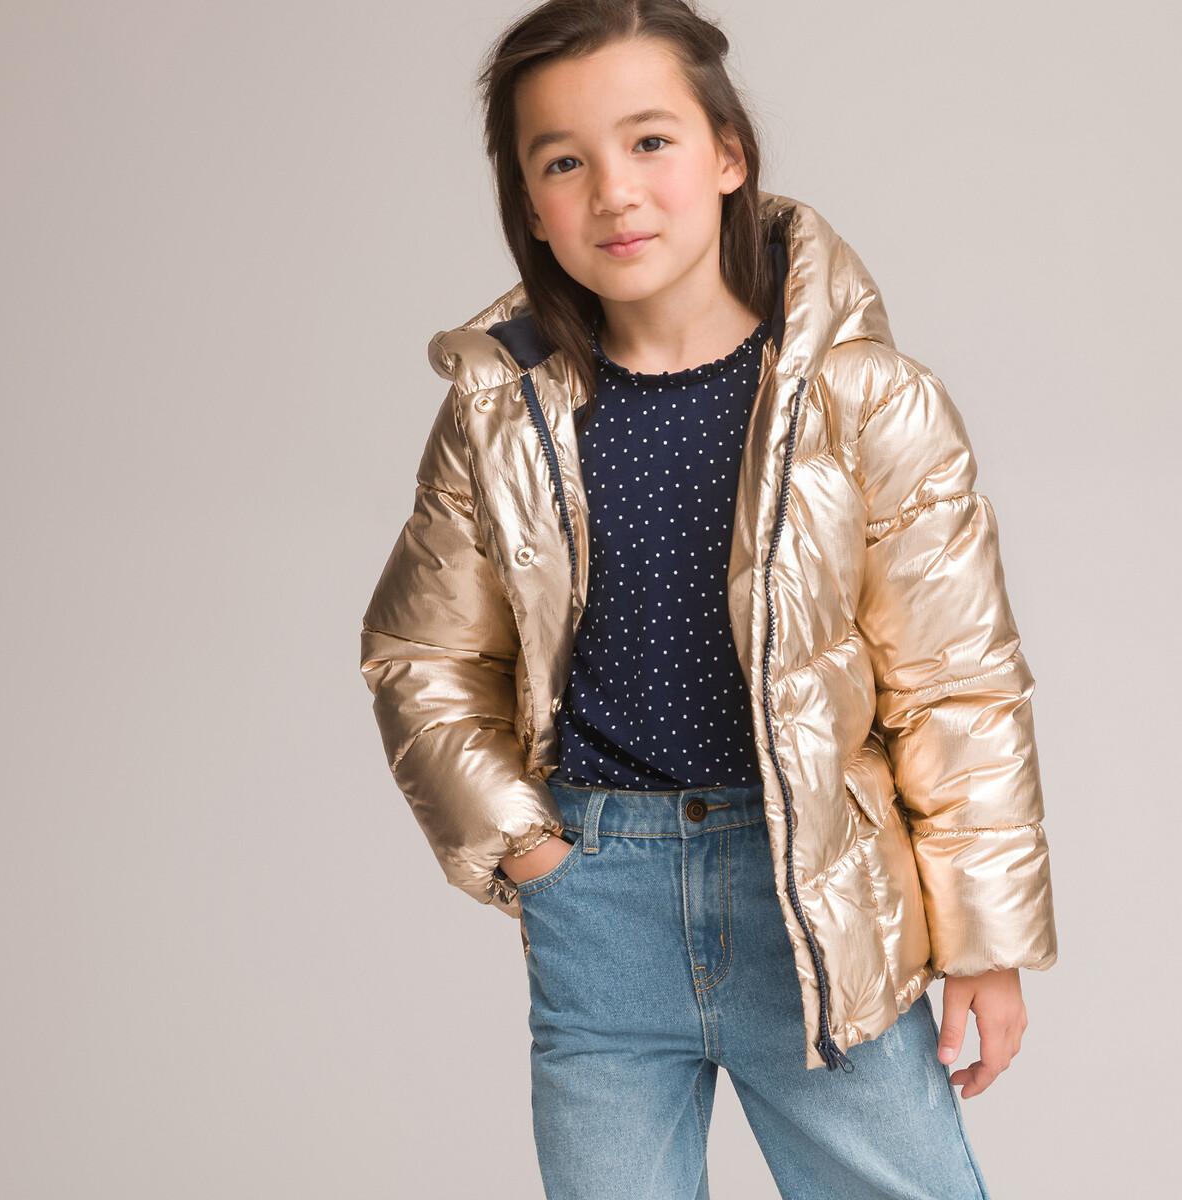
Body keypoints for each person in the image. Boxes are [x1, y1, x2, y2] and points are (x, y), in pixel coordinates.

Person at [359, 2, 1058, 1196]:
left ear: (729, 153)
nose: (613, 192)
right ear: (530, 203)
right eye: (563, 162)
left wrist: (985, 944)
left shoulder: (868, 401)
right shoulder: (503, 416)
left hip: (815, 898)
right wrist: (533, 851)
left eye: (650, 142)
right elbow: (420, 657)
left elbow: (958, 685)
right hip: (598, 899)